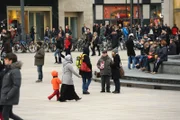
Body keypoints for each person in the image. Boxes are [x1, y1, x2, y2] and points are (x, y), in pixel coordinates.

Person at [0, 53, 23, 120]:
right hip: (5, 96)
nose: (4, 60)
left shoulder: (15, 71)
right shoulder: (7, 69)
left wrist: (8, 95)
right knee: (9, 114)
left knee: (5, 114)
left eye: (6, 59)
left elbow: (16, 85)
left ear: (11, 61)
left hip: (8, 97)